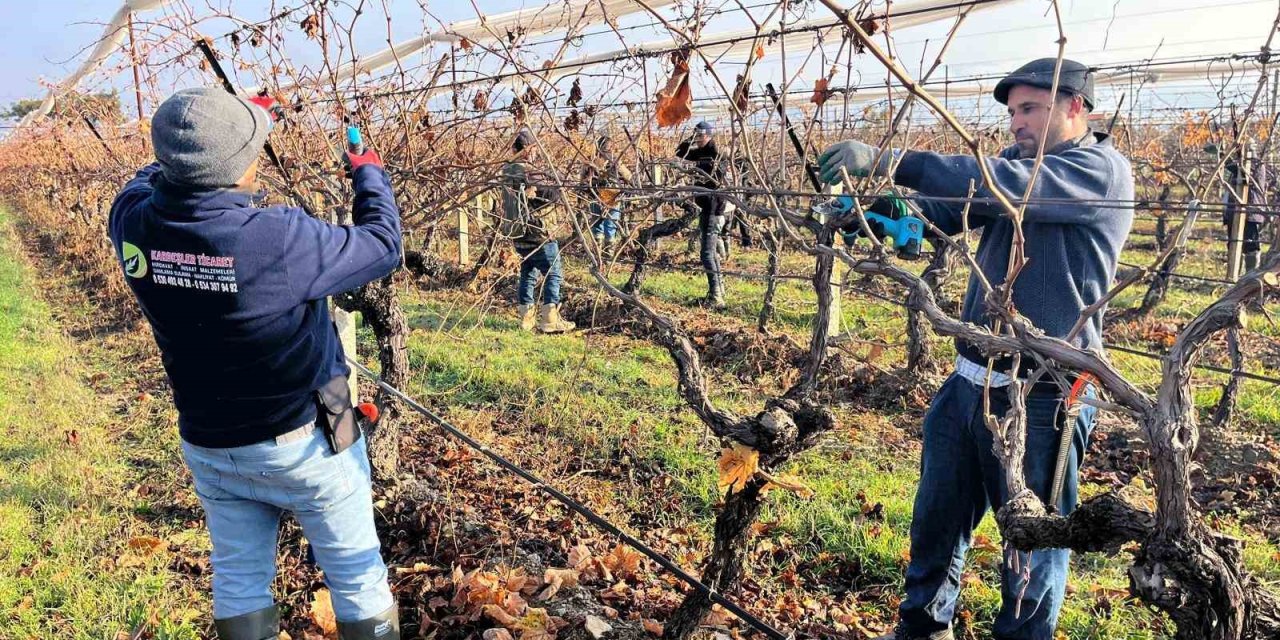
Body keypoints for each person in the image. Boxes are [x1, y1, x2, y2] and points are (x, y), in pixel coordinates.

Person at [819, 58, 1134, 640]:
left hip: (1044, 394)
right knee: (936, 523)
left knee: (1030, 546)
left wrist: (891, 161)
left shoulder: (1098, 171)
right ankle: (922, 629)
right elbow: (946, 214)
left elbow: (1001, 186)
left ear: (1075, 107)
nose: (1015, 123)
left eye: (1029, 109)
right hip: (969, 379)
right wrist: (880, 215)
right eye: (1012, 111)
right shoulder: (1015, 164)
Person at [108, 88, 402, 639]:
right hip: (312, 436)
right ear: (241, 162)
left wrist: (208, 131)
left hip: (211, 443)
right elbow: (383, 244)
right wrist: (368, 173)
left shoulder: (131, 223)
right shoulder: (276, 237)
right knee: (358, 578)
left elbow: (150, 177)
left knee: (239, 581)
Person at [500, 128, 575, 333]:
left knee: (528, 271)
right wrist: (556, 179)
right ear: (528, 149)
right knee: (554, 272)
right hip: (538, 233)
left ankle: (526, 318)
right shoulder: (529, 171)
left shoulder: (507, 170)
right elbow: (553, 191)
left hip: (517, 232)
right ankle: (550, 318)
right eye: (533, 149)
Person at [675, 120, 728, 308]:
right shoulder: (702, 151)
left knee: (706, 253)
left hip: (714, 209)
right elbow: (680, 152)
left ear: (709, 135)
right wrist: (690, 139)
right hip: (707, 208)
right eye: (696, 136)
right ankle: (718, 293)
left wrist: (699, 170)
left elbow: (716, 179)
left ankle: (716, 296)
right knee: (710, 253)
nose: (698, 139)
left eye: (700, 136)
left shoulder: (716, 155)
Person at [582, 134, 633, 253]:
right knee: (610, 225)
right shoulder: (615, 160)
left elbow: (581, 180)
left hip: (594, 195)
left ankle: (596, 253)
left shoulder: (590, 161)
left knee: (596, 224)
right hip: (612, 196)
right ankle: (608, 255)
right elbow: (628, 175)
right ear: (610, 147)